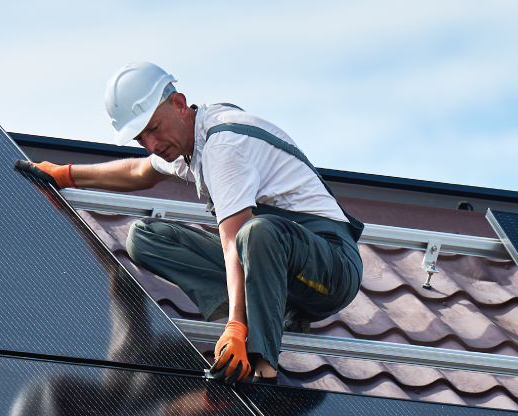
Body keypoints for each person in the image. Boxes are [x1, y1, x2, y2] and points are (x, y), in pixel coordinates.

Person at [18, 62, 365, 383]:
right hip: (277, 264)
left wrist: (236, 327)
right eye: (141, 138)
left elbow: (233, 243)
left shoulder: (223, 146)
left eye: (153, 128)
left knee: (256, 232)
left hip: (330, 268)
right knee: (144, 237)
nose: (151, 144)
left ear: (180, 104)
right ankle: (270, 309)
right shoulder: (190, 140)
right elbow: (140, 172)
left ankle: (263, 367)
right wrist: (66, 175)